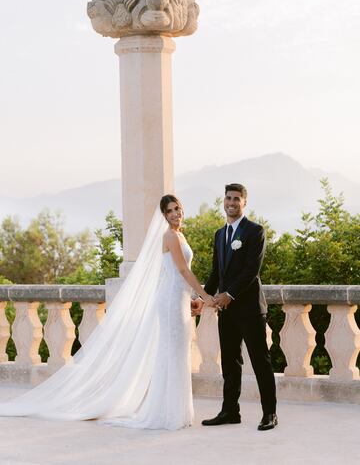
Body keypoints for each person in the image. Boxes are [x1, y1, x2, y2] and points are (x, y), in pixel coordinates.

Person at [0, 195, 215, 430]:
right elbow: (182, 270)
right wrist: (205, 296)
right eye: (170, 210)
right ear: (164, 216)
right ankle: (166, 413)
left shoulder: (180, 235)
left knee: (178, 352)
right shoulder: (169, 236)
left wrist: (192, 298)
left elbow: (177, 273)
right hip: (170, 300)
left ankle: (178, 412)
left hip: (179, 298)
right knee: (171, 353)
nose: (175, 213)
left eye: (178, 209)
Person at [192, 183, 278, 431]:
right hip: (227, 312)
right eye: (228, 198)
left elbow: (252, 270)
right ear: (224, 200)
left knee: (261, 361)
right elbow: (216, 273)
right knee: (230, 363)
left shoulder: (255, 231)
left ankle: (270, 413)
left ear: (244, 202)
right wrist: (203, 297)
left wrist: (229, 294)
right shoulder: (220, 234)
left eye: (236, 199)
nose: (231, 202)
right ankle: (230, 411)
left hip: (250, 308)